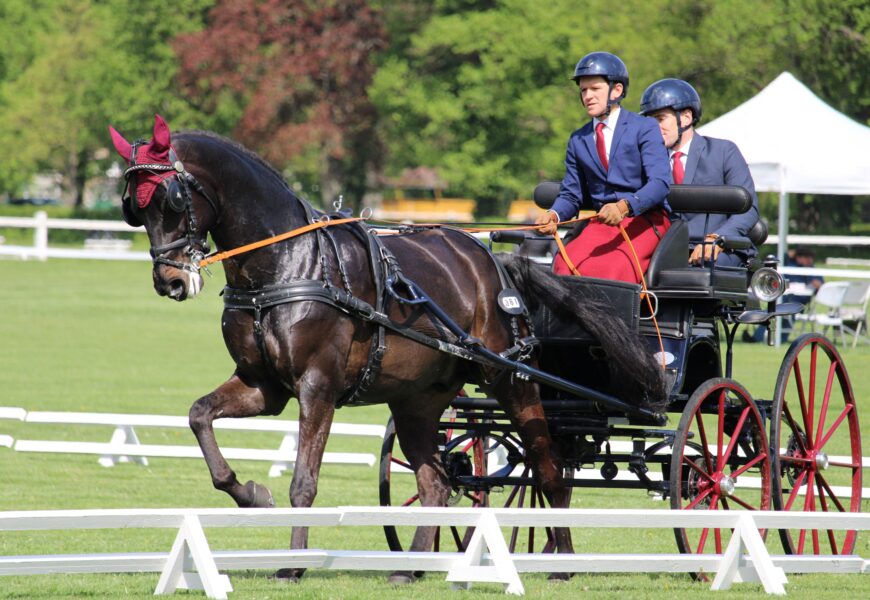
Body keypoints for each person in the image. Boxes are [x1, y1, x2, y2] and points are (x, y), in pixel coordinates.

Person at [536, 52, 671, 283]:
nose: (587, 96)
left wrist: (625, 206)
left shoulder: (645, 127)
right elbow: (571, 193)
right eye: (583, 90)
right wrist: (554, 214)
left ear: (616, 91)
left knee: (612, 267)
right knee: (563, 264)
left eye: (595, 89)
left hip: (645, 220)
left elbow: (660, 183)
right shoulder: (578, 139)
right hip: (602, 222)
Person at [639, 78, 759, 267]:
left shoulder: (723, 152)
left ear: (686, 117)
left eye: (660, 119)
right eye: (649, 122)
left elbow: (749, 210)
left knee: (708, 267)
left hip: (720, 250)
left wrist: (717, 239)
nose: (653, 128)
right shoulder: (645, 161)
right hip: (663, 252)